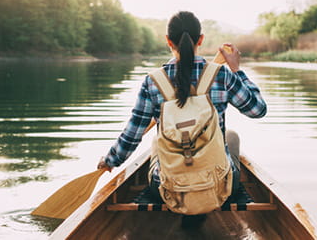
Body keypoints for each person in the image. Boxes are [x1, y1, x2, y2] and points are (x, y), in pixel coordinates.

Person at [97, 11, 267, 217]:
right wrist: (237, 70)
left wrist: (110, 160)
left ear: (168, 41)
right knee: (231, 136)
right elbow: (258, 110)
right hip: (219, 187)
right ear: (201, 40)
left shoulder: (153, 82)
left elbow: (132, 136)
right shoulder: (221, 74)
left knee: (155, 142)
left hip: (166, 190)